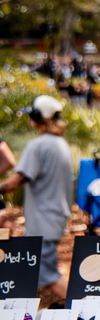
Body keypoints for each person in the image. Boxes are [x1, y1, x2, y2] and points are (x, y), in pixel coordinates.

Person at [0, 96, 74, 301]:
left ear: (38, 116)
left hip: (43, 221)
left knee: (47, 276)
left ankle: (88, 313)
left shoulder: (38, 146)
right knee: (27, 271)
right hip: (55, 219)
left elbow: (14, 182)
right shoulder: (60, 144)